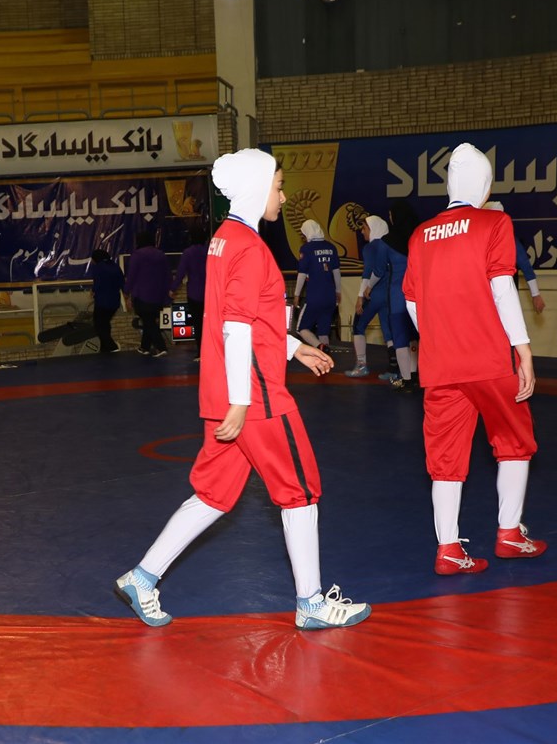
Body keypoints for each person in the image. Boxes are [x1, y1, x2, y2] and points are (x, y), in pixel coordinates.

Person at [114, 149, 370, 631]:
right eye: (278, 186)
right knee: (300, 492)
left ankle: (142, 577)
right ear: (256, 187)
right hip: (255, 397)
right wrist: (242, 400)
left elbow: (252, 318)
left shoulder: (224, 239)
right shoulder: (250, 248)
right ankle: (312, 602)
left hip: (225, 393)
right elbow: (236, 327)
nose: (283, 196)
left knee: (213, 495)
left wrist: (294, 347)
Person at [403, 143, 545, 575]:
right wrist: (522, 347)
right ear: (484, 184)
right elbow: (502, 287)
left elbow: (411, 302)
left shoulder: (420, 234)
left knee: (444, 460)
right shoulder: (494, 222)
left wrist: (437, 337)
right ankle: (509, 533)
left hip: (440, 366)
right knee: (514, 443)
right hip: (489, 360)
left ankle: (448, 548)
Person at [377, 199, 420, 391]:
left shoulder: (387, 242)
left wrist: (366, 289)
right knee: (415, 337)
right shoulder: (419, 237)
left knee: (400, 338)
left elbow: (379, 269)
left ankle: (406, 379)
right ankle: (416, 375)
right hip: (418, 294)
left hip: (398, 295)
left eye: (390, 215)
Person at [345, 215, 395, 378]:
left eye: (364, 228)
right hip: (390, 295)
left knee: (358, 327)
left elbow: (367, 274)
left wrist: (360, 296)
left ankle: (361, 366)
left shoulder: (370, 248)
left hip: (373, 295)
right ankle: (394, 369)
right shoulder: (389, 245)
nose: (361, 231)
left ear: (373, 229)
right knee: (389, 332)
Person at [483, 201, 546, 315]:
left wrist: (535, 294)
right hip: (481, 292)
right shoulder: (476, 238)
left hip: (501, 292)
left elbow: (524, 263)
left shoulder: (508, 239)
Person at [293, 220, 341, 352]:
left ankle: (320, 346)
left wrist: (297, 294)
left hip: (314, 296)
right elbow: (336, 272)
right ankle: (326, 356)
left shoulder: (306, 249)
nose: (303, 237)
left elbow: (302, 274)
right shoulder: (331, 247)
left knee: (301, 328)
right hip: (330, 296)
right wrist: (338, 291)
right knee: (324, 331)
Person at [124, 230, 171, 357]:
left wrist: (126, 292)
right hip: (158, 295)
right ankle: (144, 347)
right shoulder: (161, 254)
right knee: (148, 320)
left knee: (148, 321)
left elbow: (131, 276)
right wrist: (168, 293)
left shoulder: (137, 255)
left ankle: (161, 347)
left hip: (142, 294)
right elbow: (167, 275)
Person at [169, 226, 209, 359]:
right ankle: (213, 352)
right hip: (210, 293)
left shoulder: (188, 253)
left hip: (194, 293)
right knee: (210, 324)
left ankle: (201, 352)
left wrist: (173, 289)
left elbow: (180, 273)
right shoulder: (210, 251)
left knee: (198, 324)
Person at [90, 248, 124, 353]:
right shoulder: (115, 266)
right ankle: (104, 349)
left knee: (98, 325)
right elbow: (122, 282)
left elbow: (98, 283)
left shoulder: (98, 267)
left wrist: (93, 291)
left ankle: (112, 346)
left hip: (102, 301)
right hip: (114, 301)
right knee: (105, 323)